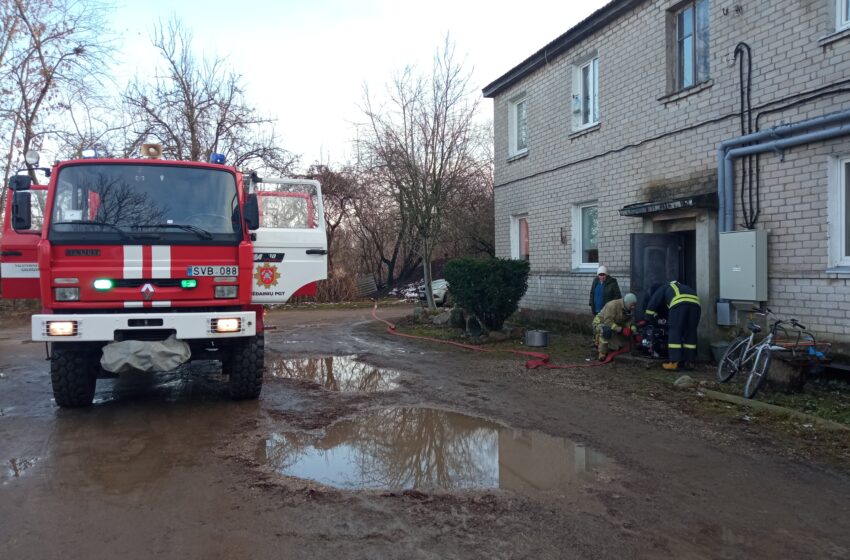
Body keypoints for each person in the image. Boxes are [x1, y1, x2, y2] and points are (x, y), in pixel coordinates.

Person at [645, 281, 701, 371]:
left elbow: (654, 302)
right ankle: (689, 362)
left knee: (675, 330)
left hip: (679, 304)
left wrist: (649, 317)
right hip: (696, 305)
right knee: (691, 332)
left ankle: (674, 362)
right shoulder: (683, 287)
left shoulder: (663, 287)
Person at [593, 293, 637, 361]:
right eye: (632, 305)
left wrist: (633, 329)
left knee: (621, 343)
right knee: (606, 331)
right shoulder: (612, 305)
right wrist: (621, 330)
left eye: (634, 305)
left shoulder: (627, 308)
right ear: (627, 303)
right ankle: (602, 352)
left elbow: (629, 322)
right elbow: (608, 322)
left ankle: (610, 344)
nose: (633, 307)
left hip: (614, 324)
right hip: (600, 323)